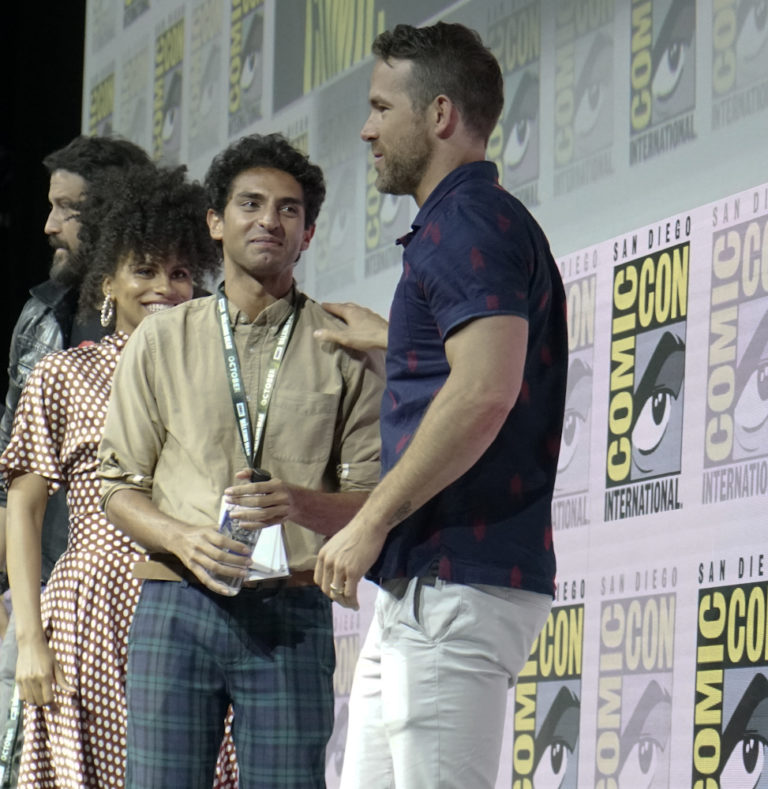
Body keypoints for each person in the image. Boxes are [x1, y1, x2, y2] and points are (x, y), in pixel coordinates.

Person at [313, 22, 569, 789]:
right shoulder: (466, 223)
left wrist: (369, 519)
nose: (366, 130)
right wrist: (394, 342)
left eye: (380, 107)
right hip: (427, 582)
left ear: (440, 114)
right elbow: (476, 366)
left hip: (454, 582)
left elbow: (485, 389)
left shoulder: (466, 222)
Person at [98, 133, 383, 788]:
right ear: (215, 222)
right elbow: (117, 483)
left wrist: (299, 503)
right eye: (250, 204)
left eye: (288, 209)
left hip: (290, 608)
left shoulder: (343, 346)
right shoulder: (161, 338)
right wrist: (182, 538)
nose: (269, 220)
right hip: (175, 598)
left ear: (308, 233)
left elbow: (370, 500)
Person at [0, 165, 221, 788]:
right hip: (88, 612)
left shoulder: (214, 379)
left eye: (180, 273)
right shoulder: (62, 375)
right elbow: (24, 509)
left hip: (192, 603)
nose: (164, 288)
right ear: (108, 282)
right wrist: (29, 637)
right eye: (144, 270)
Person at [0, 134, 153, 787]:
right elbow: (15, 482)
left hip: (159, 596)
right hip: (52, 598)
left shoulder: (185, 330)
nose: (49, 225)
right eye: (51, 206)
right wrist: (18, 610)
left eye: (69, 209)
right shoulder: (43, 317)